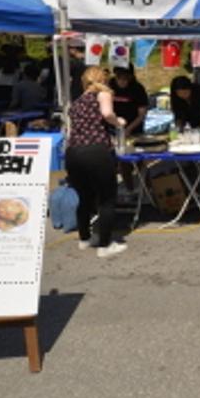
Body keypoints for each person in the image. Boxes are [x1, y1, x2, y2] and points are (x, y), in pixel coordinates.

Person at [65, 67, 126, 258]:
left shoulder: (76, 102)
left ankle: (84, 239)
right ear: (103, 79)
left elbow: (71, 130)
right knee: (107, 198)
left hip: (73, 152)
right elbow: (107, 114)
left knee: (84, 197)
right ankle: (105, 245)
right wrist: (119, 122)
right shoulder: (103, 94)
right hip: (96, 150)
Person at [111, 65, 149, 137]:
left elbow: (142, 114)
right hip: (113, 128)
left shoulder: (138, 89)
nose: (122, 81)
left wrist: (129, 129)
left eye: (125, 78)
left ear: (131, 77)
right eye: (119, 78)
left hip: (134, 129)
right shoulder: (110, 85)